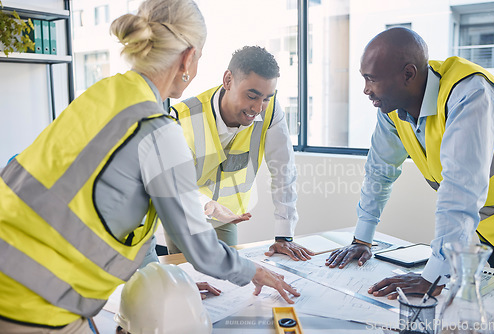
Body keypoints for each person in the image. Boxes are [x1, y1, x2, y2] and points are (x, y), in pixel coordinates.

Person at [0, 1, 299, 333]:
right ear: (187, 58)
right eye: (198, 57)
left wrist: (167, 284)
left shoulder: (102, 94)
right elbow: (201, 249)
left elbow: (123, 214)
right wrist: (255, 271)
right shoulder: (157, 128)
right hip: (33, 300)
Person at [325, 27, 494, 299]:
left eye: (372, 79)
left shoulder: (469, 92)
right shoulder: (392, 109)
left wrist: (434, 275)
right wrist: (362, 238)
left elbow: (459, 188)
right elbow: (379, 173)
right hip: (487, 230)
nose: (366, 90)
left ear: (408, 73)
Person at [165, 46, 314, 261]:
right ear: (227, 80)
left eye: (266, 98)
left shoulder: (271, 111)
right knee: (191, 279)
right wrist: (206, 205)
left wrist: (284, 236)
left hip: (227, 215)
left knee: (227, 277)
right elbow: (171, 183)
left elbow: (284, 172)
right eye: (252, 96)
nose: (258, 107)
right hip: (184, 212)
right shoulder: (182, 118)